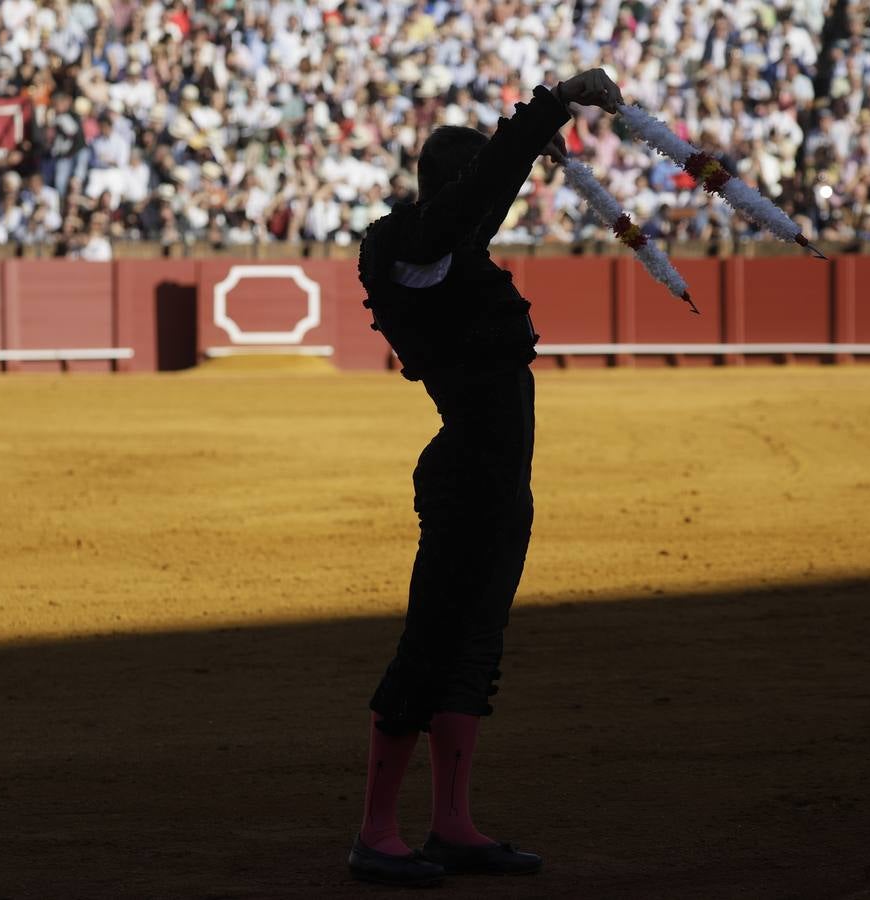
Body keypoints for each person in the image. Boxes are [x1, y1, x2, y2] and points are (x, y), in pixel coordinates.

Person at [349, 68, 623, 887]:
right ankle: (374, 833)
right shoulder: (404, 247)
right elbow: (468, 206)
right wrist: (546, 109)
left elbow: (476, 208)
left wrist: (536, 138)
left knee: (473, 650)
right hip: (467, 474)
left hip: (501, 480)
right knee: (430, 647)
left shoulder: (446, 252)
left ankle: (453, 824)